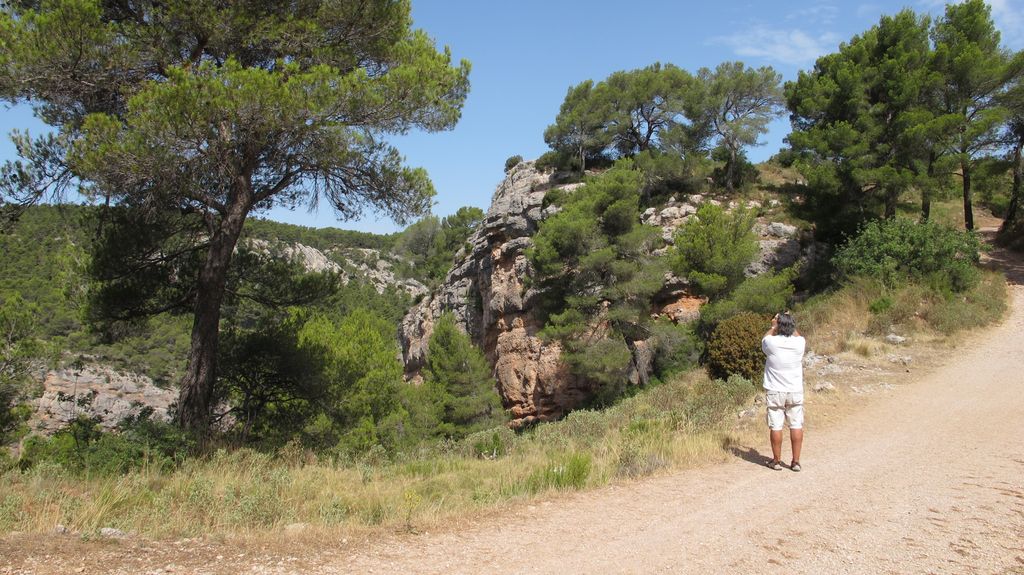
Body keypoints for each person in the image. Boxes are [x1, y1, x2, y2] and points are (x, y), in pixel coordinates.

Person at [762, 311, 806, 472]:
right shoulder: (799, 343)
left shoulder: (771, 343)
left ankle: (777, 461)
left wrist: (774, 326)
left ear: (778, 325)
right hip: (794, 390)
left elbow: (765, 338)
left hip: (775, 390)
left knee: (776, 426)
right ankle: (795, 462)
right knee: (796, 424)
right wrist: (788, 321)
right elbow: (797, 334)